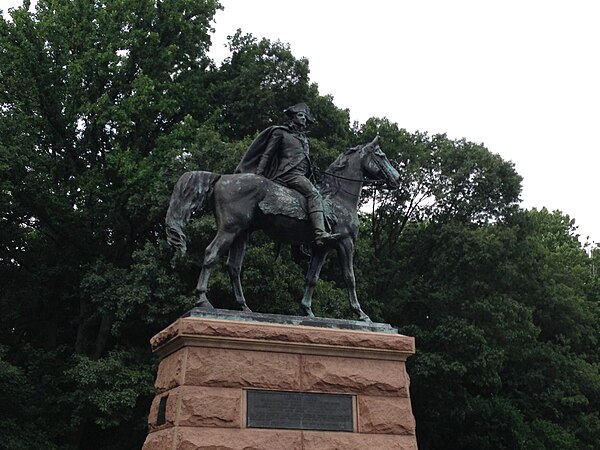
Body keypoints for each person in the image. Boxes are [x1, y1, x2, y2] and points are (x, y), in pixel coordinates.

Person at [235, 103, 339, 245]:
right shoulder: (281, 133)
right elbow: (267, 155)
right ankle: (320, 232)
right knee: (314, 194)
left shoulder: (304, 139)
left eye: (305, 117)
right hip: (289, 175)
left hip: (302, 175)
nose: (303, 119)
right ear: (293, 117)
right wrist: (258, 175)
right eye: (301, 116)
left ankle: (301, 244)